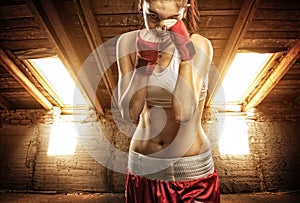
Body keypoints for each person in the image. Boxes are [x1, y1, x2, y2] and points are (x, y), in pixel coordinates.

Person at [116, 0, 220, 202]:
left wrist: (185, 56)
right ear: (142, 8)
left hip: (191, 170)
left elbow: (184, 111)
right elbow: (129, 114)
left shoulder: (199, 44)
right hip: (143, 166)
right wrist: (145, 62)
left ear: (185, 11)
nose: (161, 27)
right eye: (153, 16)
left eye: (173, 18)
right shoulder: (127, 43)